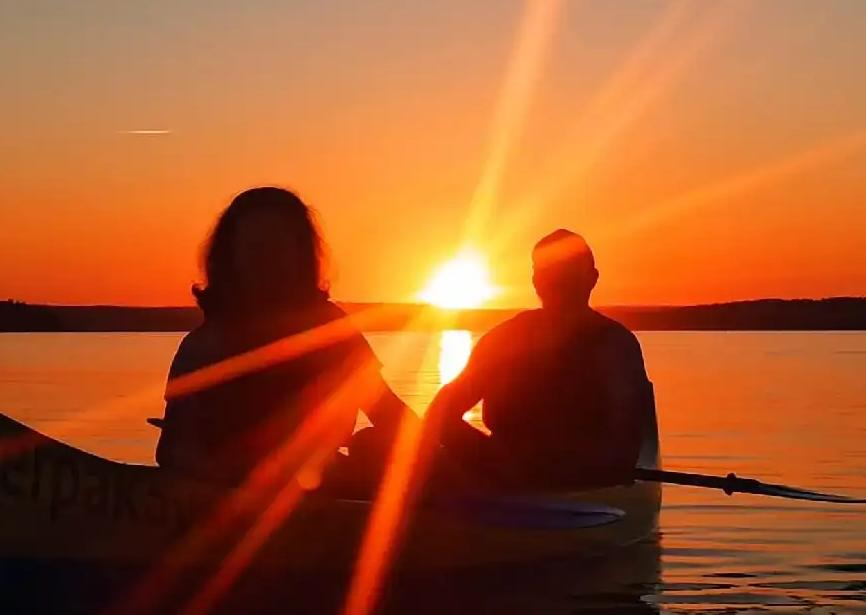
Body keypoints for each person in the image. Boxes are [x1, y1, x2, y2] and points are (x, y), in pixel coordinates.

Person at [155, 186, 412, 485]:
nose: (268, 261)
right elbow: (171, 451)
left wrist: (439, 459)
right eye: (255, 248)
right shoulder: (203, 346)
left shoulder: (329, 328)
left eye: (280, 247)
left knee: (373, 444)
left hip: (321, 486)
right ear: (229, 257)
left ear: (300, 255)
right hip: (224, 495)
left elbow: (386, 410)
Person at [425, 230, 657, 491]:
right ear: (592, 279)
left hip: (563, 481)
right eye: (555, 275)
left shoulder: (612, 346)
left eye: (566, 275)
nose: (560, 283)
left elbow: (624, 449)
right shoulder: (505, 340)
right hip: (509, 476)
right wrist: (497, 462)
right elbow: (440, 415)